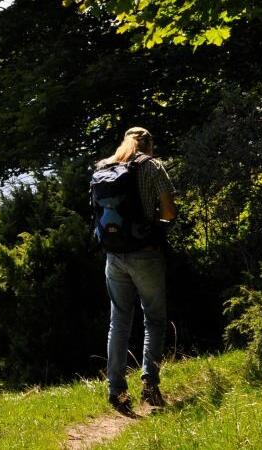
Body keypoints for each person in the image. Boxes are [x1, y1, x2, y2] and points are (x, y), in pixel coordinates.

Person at [97, 127, 176, 414]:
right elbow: (169, 212)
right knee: (153, 319)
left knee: (118, 321)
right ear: (149, 145)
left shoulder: (104, 167)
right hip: (145, 254)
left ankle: (116, 390)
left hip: (114, 256)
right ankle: (149, 385)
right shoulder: (153, 166)